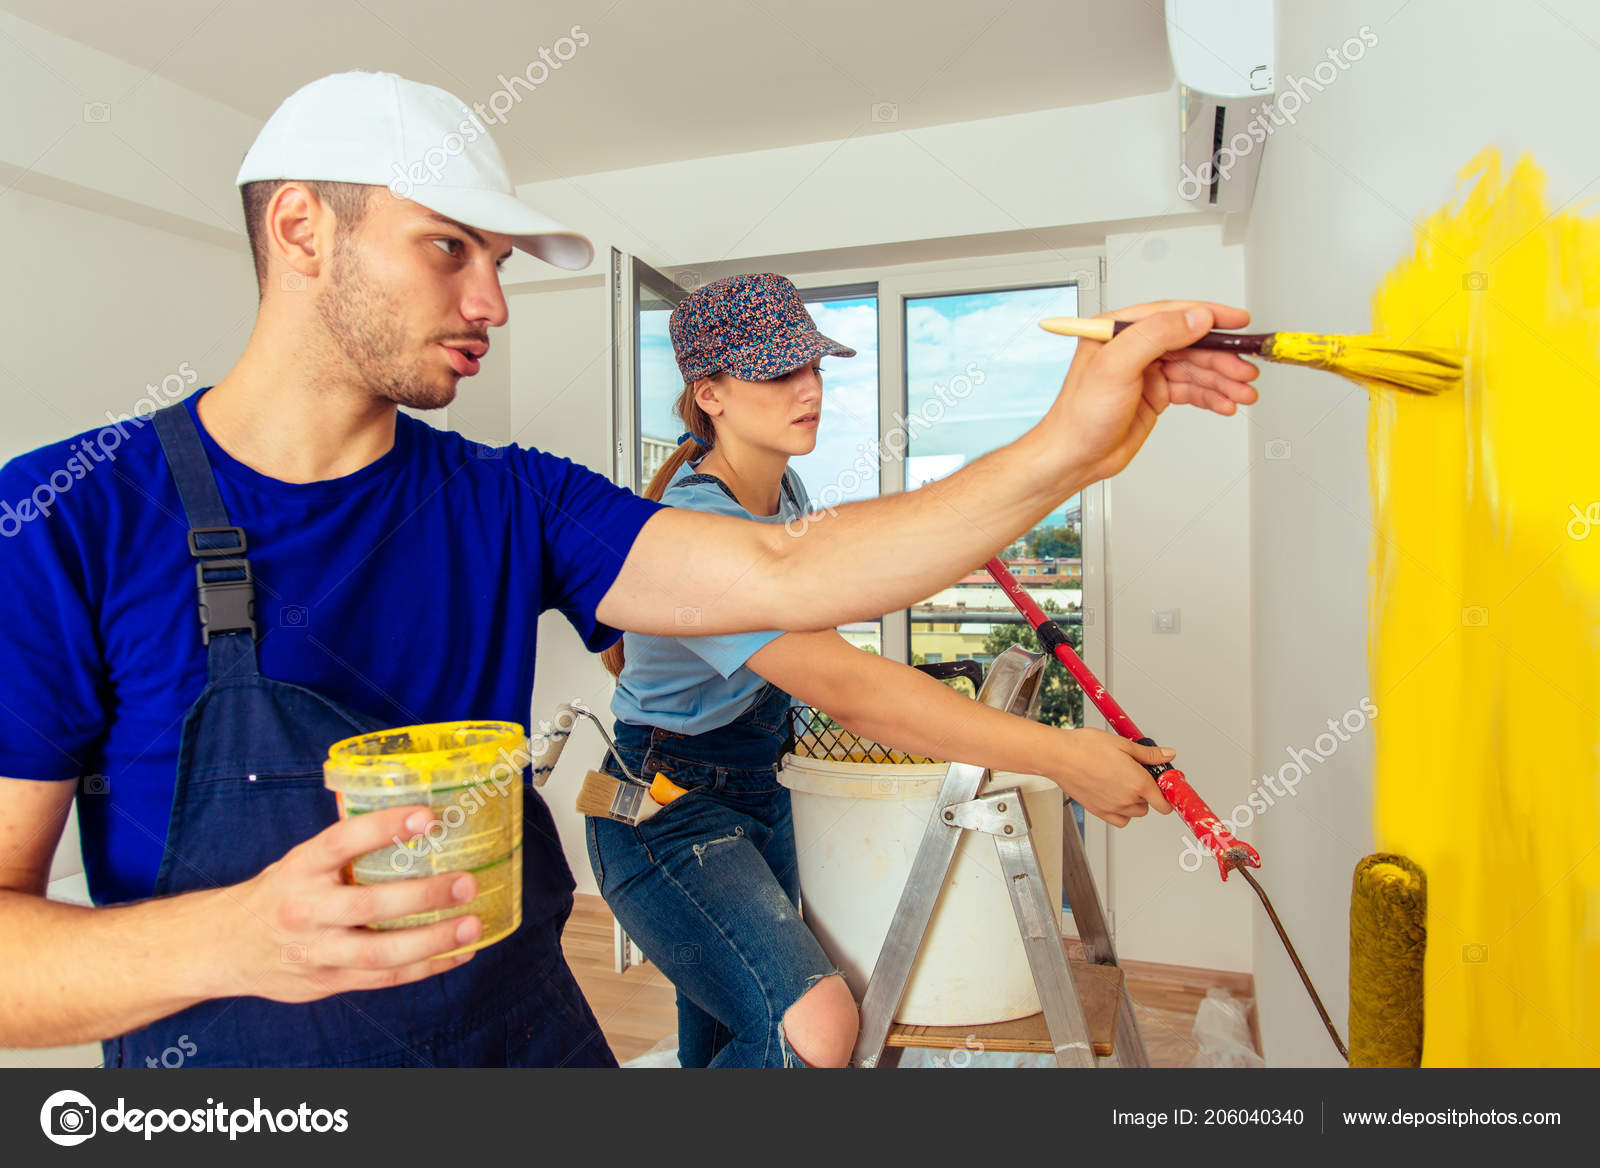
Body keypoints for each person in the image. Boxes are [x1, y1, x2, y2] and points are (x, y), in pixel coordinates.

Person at [0, 71, 1259, 1068]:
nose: (493, 300)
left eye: (499, 261)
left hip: (521, 1041)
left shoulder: (513, 498)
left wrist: (1067, 446)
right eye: (453, 249)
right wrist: (231, 935)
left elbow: (792, 568)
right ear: (300, 228)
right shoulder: (64, 521)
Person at [586, 273, 1186, 1068]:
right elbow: (846, 686)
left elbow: (849, 609)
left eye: (814, 366)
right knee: (816, 1029)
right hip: (665, 810)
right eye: (777, 371)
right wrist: (1064, 755)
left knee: (733, 1032)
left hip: (762, 784)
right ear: (711, 393)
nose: (809, 389)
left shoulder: (786, 491)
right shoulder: (701, 521)